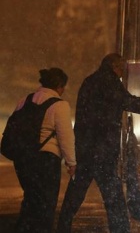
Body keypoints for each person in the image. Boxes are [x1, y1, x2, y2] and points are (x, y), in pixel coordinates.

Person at [57, 53, 140, 233]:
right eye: (121, 69)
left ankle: (62, 225)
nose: (122, 73)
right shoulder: (109, 82)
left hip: (85, 149)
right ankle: (120, 230)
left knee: (75, 194)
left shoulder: (89, 81)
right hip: (103, 151)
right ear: (114, 67)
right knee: (114, 198)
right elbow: (129, 102)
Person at [13, 68, 77, 233]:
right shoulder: (60, 105)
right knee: (46, 205)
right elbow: (65, 136)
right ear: (59, 86)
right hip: (46, 160)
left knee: (30, 200)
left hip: (23, 159)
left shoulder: (24, 100)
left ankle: (25, 229)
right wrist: (71, 162)